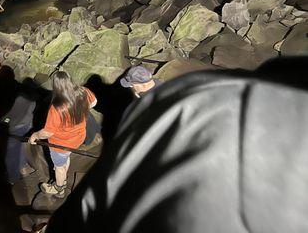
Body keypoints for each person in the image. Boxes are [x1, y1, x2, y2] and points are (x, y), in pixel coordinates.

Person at [46, 58, 308, 233]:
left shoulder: (146, 110)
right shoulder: (175, 91)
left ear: (137, 86)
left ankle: (58, 187)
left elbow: (106, 186)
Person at [28, 71, 97, 199]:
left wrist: (35, 135)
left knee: (59, 167)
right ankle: (63, 177)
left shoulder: (57, 107)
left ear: (56, 86)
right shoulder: (83, 91)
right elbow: (94, 103)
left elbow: (48, 132)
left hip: (60, 144)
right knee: (66, 157)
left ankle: (59, 189)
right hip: (78, 137)